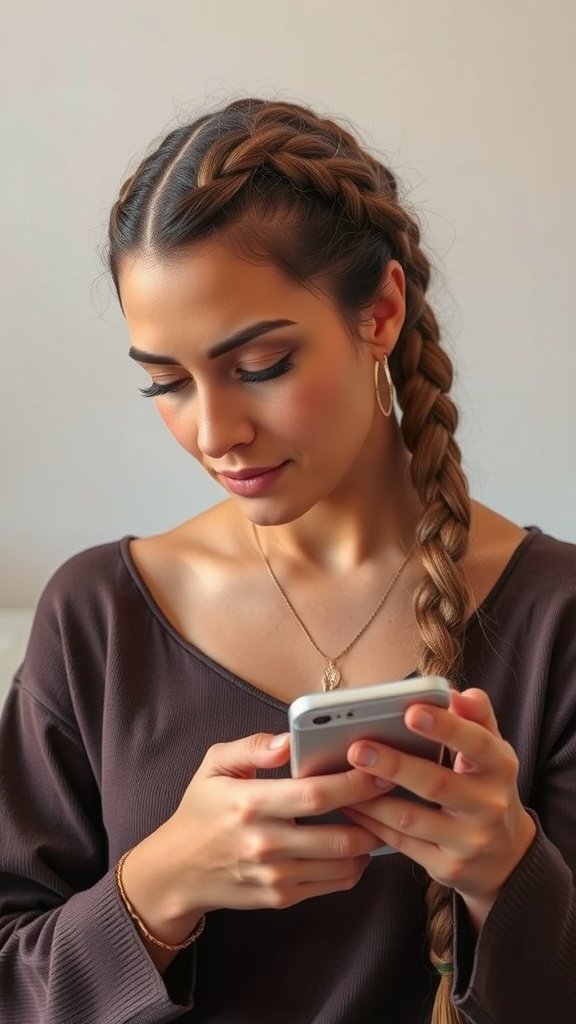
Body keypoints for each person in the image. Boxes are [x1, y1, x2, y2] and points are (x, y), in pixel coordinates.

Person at [0, 97, 575, 1024]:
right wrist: (156, 892)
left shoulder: (556, 617)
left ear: (380, 312)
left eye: (260, 364)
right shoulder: (99, 615)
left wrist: (509, 873)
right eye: (165, 382)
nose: (215, 433)